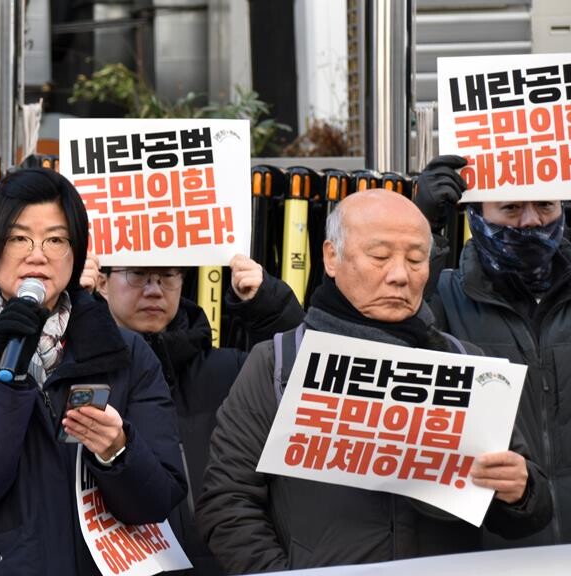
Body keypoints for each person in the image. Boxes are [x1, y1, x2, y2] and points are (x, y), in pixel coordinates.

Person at [197, 189, 552, 573]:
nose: (400, 275)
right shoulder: (278, 363)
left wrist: (520, 491)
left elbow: (526, 510)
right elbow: (227, 502)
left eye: (416, 259)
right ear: (331, 257)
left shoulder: (465, 364)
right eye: (380, 257)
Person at [0, 168, 188, 575]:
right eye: (18, 237)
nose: (36, 254)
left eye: (55, 239)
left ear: (76, 255)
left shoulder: (127, 355)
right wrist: (6, 369)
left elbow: (158, 499)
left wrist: (118, 450)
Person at [95, 256, 303, 575]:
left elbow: (303, 382)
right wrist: (75, 310)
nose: (154, 289)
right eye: (137, 275)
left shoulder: (227, 369)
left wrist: (270, 307)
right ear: (101, 283)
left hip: (216, 561)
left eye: (168, 275)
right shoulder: (81, 368)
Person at [416, 154, 571, 546]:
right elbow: (393, 337)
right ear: (476, 212)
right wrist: (424, 229)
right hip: (494, 546)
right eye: (512, 208)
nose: (532, 221)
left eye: (546, 205)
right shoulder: (444, 296)